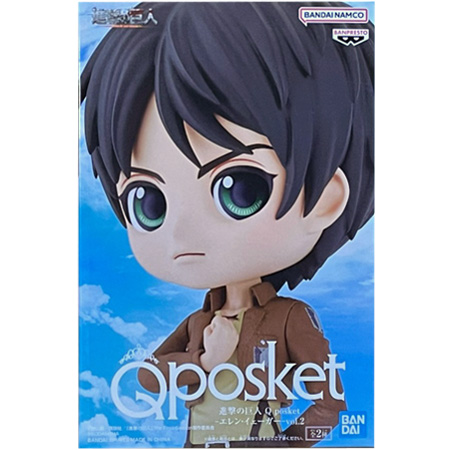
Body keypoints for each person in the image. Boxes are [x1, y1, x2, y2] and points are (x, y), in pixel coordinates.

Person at [80, 2, 374, 447]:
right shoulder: (201, 321)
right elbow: (147, 376)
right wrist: (204, 362)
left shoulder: (289, 319)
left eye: (240, 190)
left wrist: (282, 445)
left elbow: (329, 406)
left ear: (327, 198)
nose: (181, 234)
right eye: (148, 202)